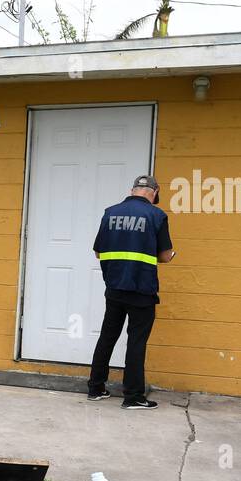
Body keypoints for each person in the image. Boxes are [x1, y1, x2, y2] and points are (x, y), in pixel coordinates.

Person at [87, 174, 175, 410]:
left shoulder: (110, 212)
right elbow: (165, 255)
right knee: (136, 342)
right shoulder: (156, 215)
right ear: (154, 193)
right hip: (141, 289)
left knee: (108, 336)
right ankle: (133, 397)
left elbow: (98, 252)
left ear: (133, 189)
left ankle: (95, 388)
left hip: (114, 287)